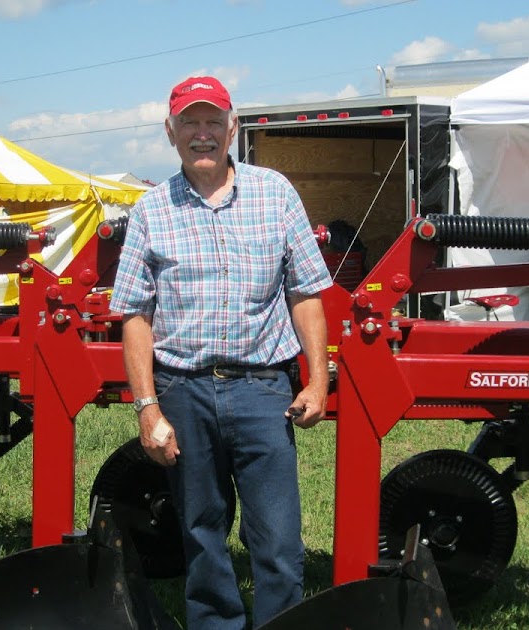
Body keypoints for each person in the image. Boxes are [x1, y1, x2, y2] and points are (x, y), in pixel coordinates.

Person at [111, 75, 332, 630]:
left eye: (213, 122)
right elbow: (135, 316)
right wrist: (147, 407)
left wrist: (318, 379)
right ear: (171, 132)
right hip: (184, 392)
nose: (202, 134)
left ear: (233, 128)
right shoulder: (151, 210)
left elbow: (305, 292)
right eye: (191, 122)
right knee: (202, 537)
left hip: (264, 391)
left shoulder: (276, 193)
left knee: (279, 541)